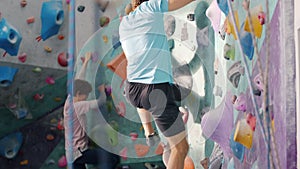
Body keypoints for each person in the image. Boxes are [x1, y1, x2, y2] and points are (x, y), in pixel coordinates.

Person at [119, 0, 194, 168]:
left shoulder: (125, 23)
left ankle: (149, 131)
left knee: (159, 97)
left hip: (133, 89)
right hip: (155, 91)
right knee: (180, 148)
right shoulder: (150, 7)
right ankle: (163, 124)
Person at [63, 52, 119, 169]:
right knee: (112, 158)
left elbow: (79, 79)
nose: (86, 97)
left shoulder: (70, 99)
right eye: (85, 95)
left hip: (71, 154)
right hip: (79, 153)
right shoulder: (77, 106)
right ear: (78, 94)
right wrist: (102, 91)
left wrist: (86, 62)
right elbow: (100, 102)